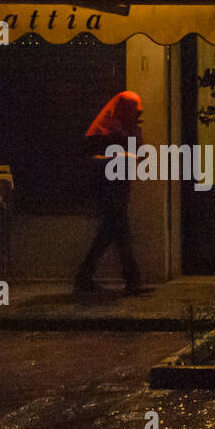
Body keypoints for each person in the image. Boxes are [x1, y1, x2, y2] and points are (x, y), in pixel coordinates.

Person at [75, 90, 152, 296]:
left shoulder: (131, 128)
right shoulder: (103, 131)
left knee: (111, 230)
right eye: (133, 110)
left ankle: (85, 275)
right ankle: (132, 279)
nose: (137, 114)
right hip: (106, 185)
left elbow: (141, 154)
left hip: (120, 184)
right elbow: (88, 159)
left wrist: (129, 155)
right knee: (119, 229)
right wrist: (117, 157)